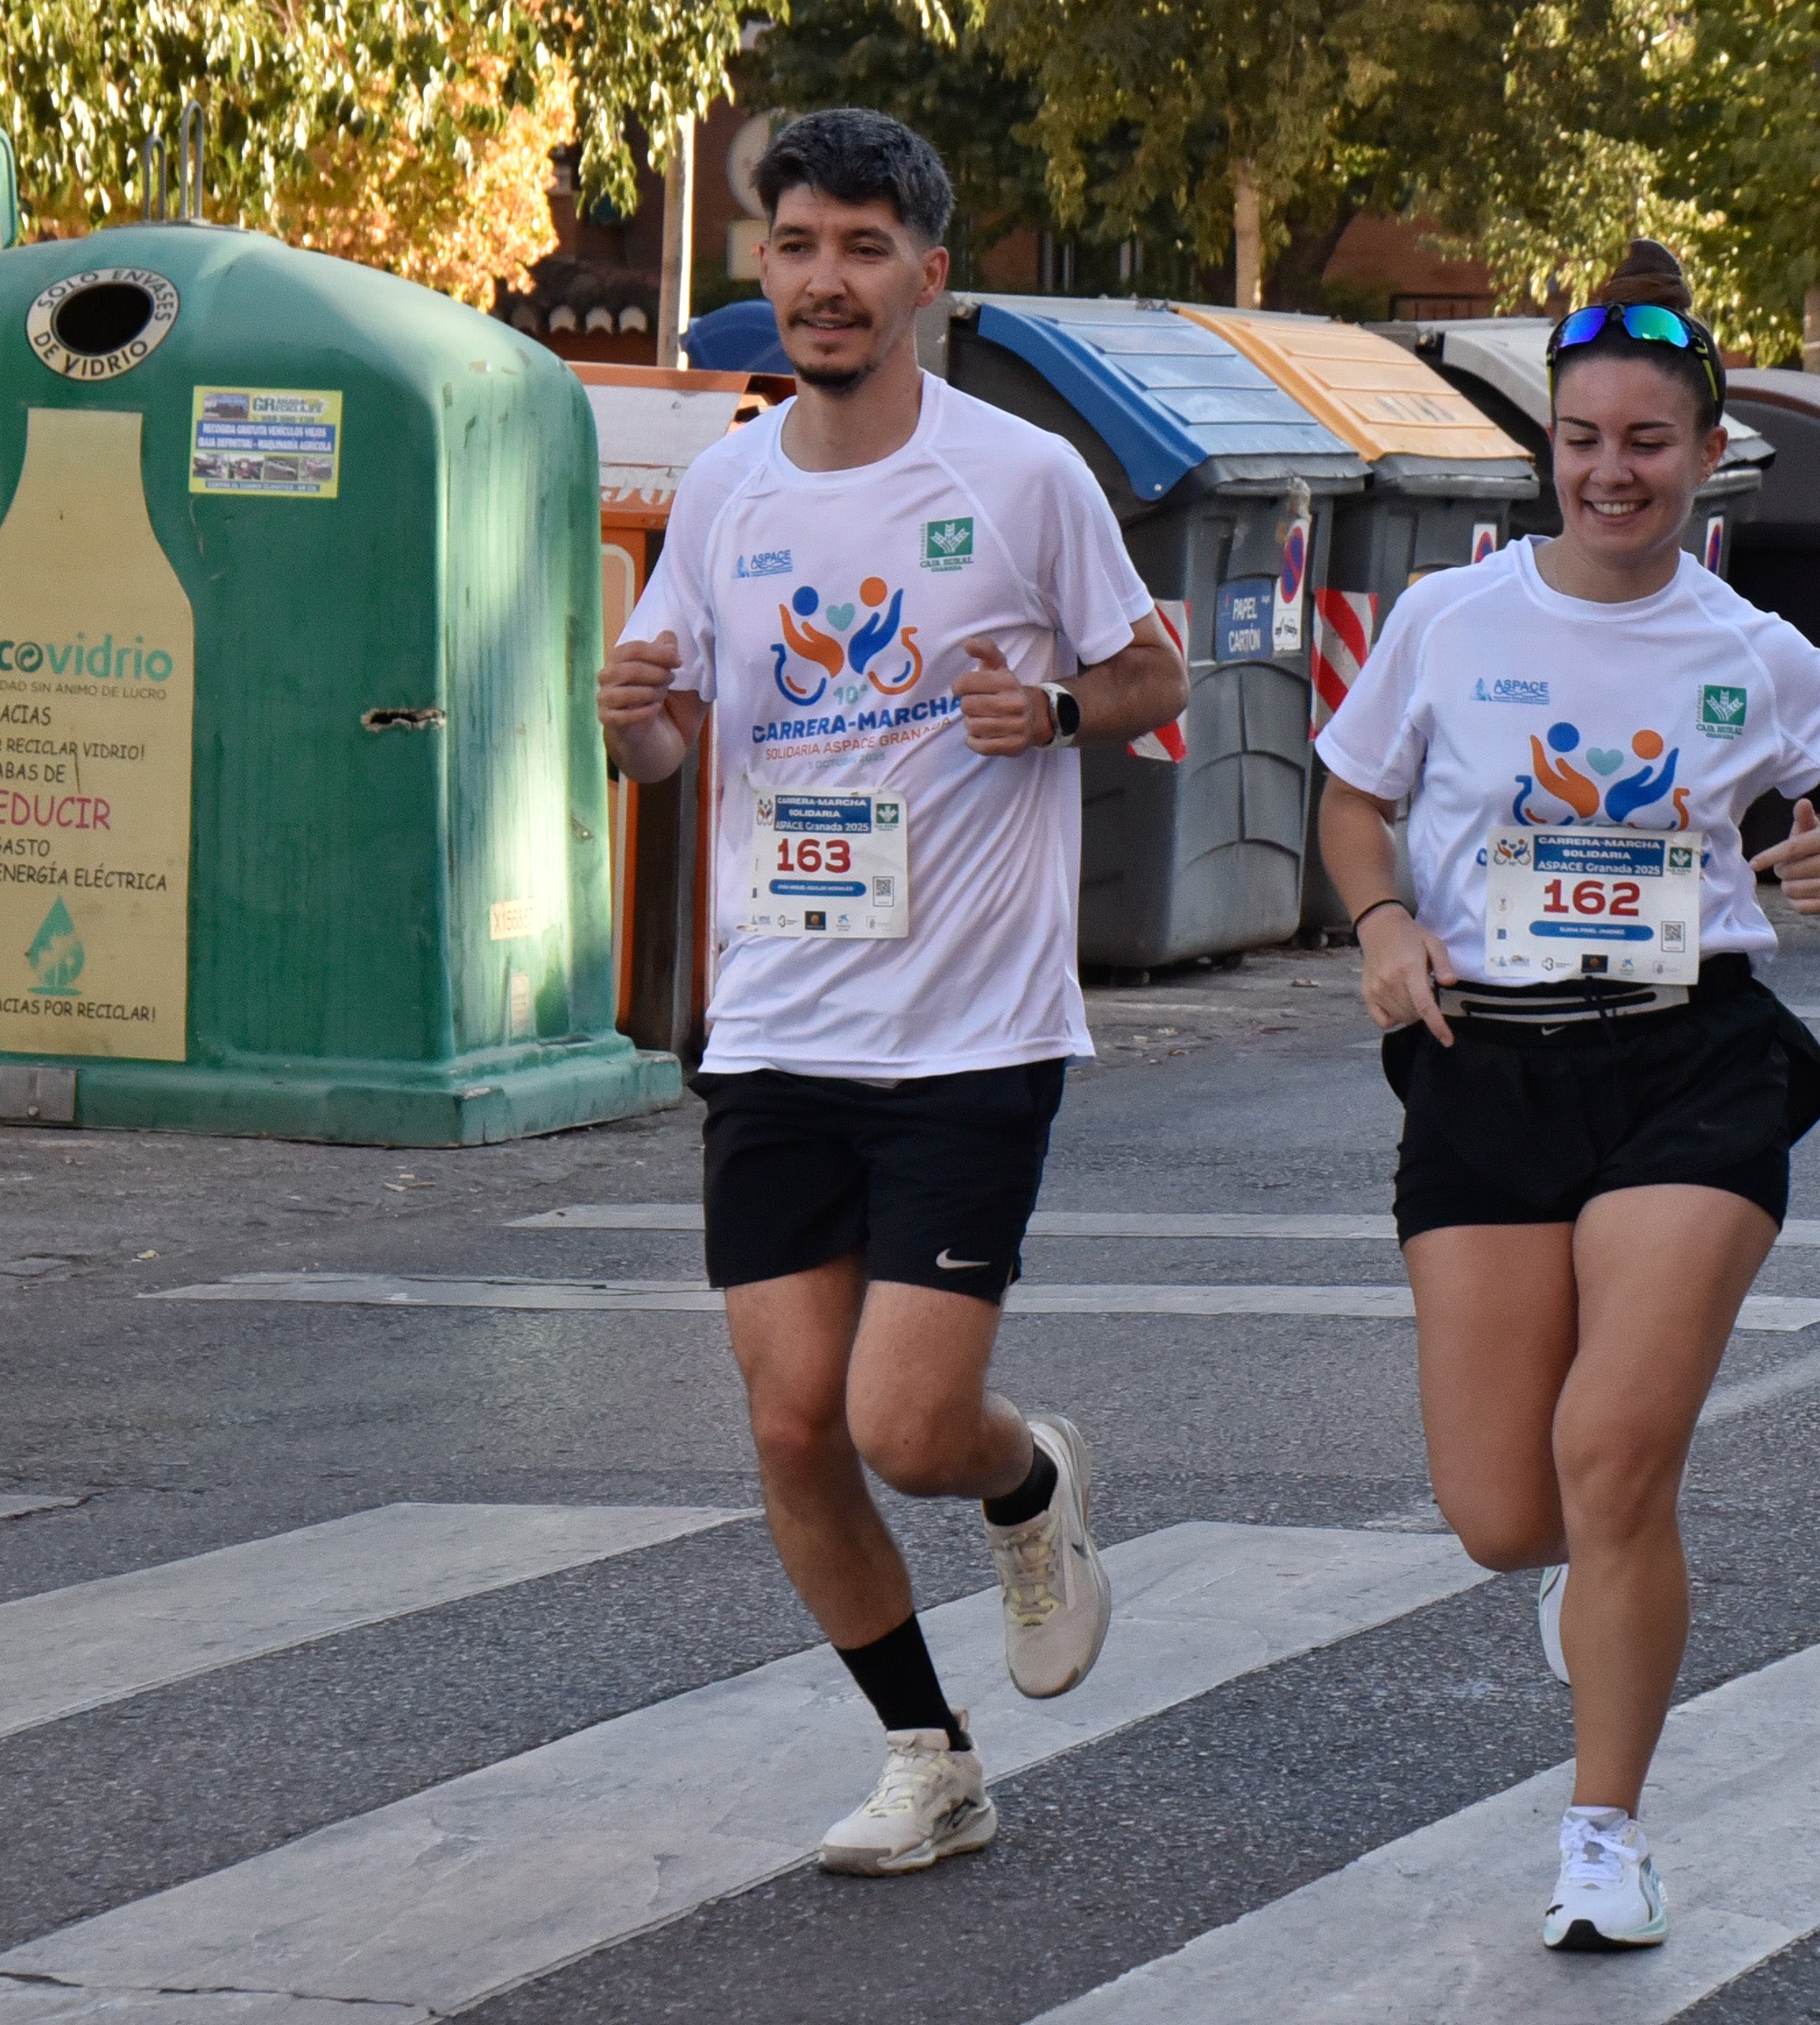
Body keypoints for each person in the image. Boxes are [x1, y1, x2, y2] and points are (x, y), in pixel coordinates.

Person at [1315, 240, 1820, 1953]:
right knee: (1503, 1513)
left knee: (1613, 1450)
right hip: (1484, 1063)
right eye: (1583, 438)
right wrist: (1380, 923)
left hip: (1690, 1058)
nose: (1611, 471)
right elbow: (1353, 800)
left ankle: (1606, 1830)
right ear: (1550, 447)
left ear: (1706, 453)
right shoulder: (1447, 620)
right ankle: (1594, 1578)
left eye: (1648, 441)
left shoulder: (1755, 648)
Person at [597, 108, 1187, 1875]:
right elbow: (671, 741)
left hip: (969, 1029)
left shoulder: (1021, 476)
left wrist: (1059, 709)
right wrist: (630, 720)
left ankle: (1023, 1479)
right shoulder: (729, 487)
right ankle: (930, 1751)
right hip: (779, 1019)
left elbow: (1155, 668)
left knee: (907, 1426)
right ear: (764, 267)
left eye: (862, 249)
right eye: (797, 246)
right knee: (794, 1423)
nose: (825, 280)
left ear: (926, 274)